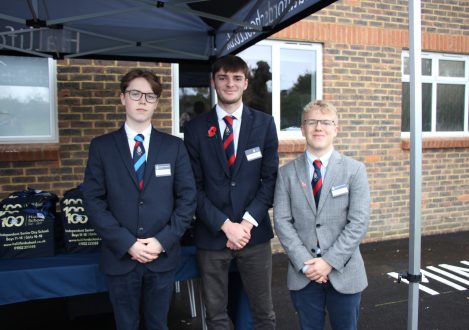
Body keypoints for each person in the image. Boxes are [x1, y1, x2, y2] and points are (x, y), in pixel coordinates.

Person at [83, 69, 196, 330]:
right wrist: (127, 243)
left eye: (150, 96)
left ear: (157, 102)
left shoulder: (174, 147)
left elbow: (187, 198)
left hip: (162, 255)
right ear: (123, 98)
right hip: (120, 256)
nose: (142, 101)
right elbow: (93, 200)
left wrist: (161, 241)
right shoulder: (101, 147)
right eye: (135, 94)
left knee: (158, 324)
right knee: (126, 324)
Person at [184, 55, 278, 330]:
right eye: (223, 77)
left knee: (264, 313)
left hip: (254, 235)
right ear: (214, 82)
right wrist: (225, 225)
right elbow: (193, 187)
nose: (230, 83)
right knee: (215, 316)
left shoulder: (264, 124)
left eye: (237, 78)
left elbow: (270, 180)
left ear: (246, 83)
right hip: (212, 235)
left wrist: (246, 224)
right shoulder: (195, 128)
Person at [273, 100, 370, 330]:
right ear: (302, 128)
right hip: (304, 274)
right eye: (312, 122)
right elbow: (282, 222)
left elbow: (358, 222)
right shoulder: (286, 174)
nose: (319, 127)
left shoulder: (354, 170)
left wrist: (328, 262)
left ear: (336, 128)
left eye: (326, 122)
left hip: (345, 273)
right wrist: (307, 266)